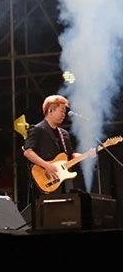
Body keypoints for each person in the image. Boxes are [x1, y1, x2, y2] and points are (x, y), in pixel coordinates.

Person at [23, 94, 96, 225]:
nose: (64, 114)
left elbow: (70, 155)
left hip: (63, 182)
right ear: (50, 110)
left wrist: (86, 155)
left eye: (65, 111)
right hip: (46, 179)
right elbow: (28, 152)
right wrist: (46, 166)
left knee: (66, 216)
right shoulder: (37, 130)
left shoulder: (64, 134)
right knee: (48, 218)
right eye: (61, 110)